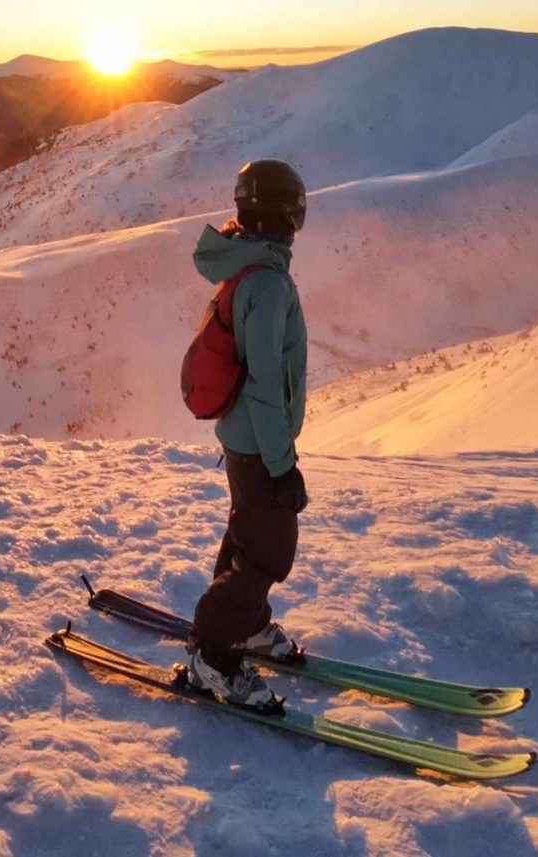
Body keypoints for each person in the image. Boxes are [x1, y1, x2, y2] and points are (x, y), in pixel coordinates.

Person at [186, 158, 309, 708]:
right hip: (259, 442)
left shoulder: (250, 270)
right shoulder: (268, 283)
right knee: (267, 551)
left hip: (244, 437)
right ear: (284, 212)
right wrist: (283, 467)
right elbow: (264, 383)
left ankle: (249, 625)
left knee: (247, 535)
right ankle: (212, 655)